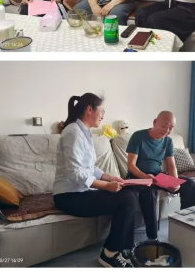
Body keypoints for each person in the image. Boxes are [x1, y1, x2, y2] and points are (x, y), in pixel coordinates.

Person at [53, 94, 137, 268]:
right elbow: (75, 173)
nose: (103, 116)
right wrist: (106, 186)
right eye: (102, 111)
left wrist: (111, 177)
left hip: (81, 192)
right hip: (68, 196)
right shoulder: (73, 132)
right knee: (126, 199)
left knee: (129, 192)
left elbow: (90, 168)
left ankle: (123, 248)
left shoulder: (85, 132)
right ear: (89, 109)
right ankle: (109, 254)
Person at [125, 111, 195, 240]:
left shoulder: (168, 141)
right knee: (149, 192)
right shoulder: (138, 136)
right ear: (155, 122)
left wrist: (174, 182)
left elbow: (171, 165)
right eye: (164, 126)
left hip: (157, 176)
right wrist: (145, 177)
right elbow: (131, 165)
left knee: (189, 184)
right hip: (137, 177)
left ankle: (187, 225)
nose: (167, 130)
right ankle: (152, 237)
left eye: (171, 128)